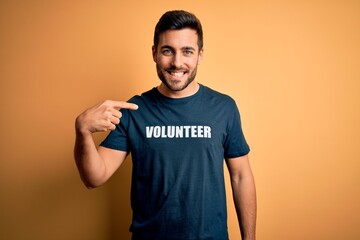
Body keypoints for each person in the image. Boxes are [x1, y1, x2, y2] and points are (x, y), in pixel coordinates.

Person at [74, 10, 256, 240]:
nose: (177, 62)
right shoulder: (134, 111)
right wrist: (82, 131)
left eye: (187, 51)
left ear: (200, 55)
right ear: (154, 53)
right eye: (167, 51)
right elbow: (94, 178)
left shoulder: (224, 108)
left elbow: (241, 177)